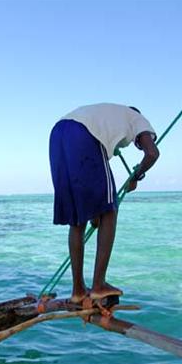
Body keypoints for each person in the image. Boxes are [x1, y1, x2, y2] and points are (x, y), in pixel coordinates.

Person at [49, 103, 159, 303]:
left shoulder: (107, 116)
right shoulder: (136, 117)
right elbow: (152, 153)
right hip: (84, 134)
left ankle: (78, 290)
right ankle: (99, 285)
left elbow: (90, 184)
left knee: (77, 220)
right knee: (110, 210)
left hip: (58, 134)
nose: (136, 144)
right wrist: (138, 174)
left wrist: (94, 214)